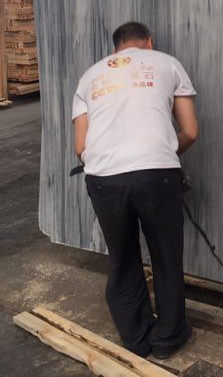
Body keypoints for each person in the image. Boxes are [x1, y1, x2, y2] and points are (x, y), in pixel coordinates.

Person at [72, 21, 199, 359]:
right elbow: (190, 131)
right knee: (166, 257)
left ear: (115, 48)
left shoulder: (90, 76)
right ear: (149, 42)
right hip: (157, 175)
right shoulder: (168, 63)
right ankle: (168, 340)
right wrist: (160, 156)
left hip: (104, 179)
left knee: (123, 257)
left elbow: (81, 147)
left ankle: (136, 339)